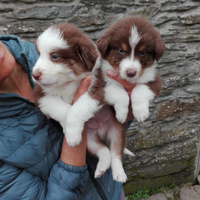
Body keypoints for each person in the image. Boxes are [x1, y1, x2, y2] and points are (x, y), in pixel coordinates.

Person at [0, 35, 135, 200]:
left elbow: (107, 113)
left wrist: (122, 109)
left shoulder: (37, 50)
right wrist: (78, 119)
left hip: (112, 191)